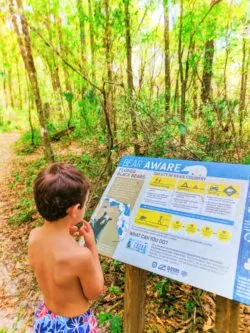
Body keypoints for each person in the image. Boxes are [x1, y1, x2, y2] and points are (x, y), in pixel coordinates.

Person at [28, 163, 104, 332]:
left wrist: (66, 236)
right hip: (74, 326)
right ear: (75, 210)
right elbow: (95, 291)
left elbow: (54, 260)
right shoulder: (81, 256)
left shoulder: (34, 236)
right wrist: (91, 247)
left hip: (46, 318)